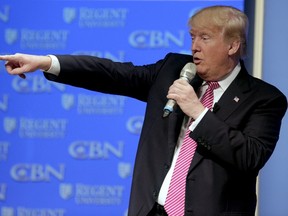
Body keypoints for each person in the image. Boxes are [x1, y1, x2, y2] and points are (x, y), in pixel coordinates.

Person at [0, 5, 287, 216]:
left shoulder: (264, 99)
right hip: (151, 210)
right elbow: (113, 73)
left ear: (233, 45)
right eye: (192, 37)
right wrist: (46, 62)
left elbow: (250, 156)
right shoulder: (174, 70)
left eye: (205, 38)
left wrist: (198, 113)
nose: (194, 47)